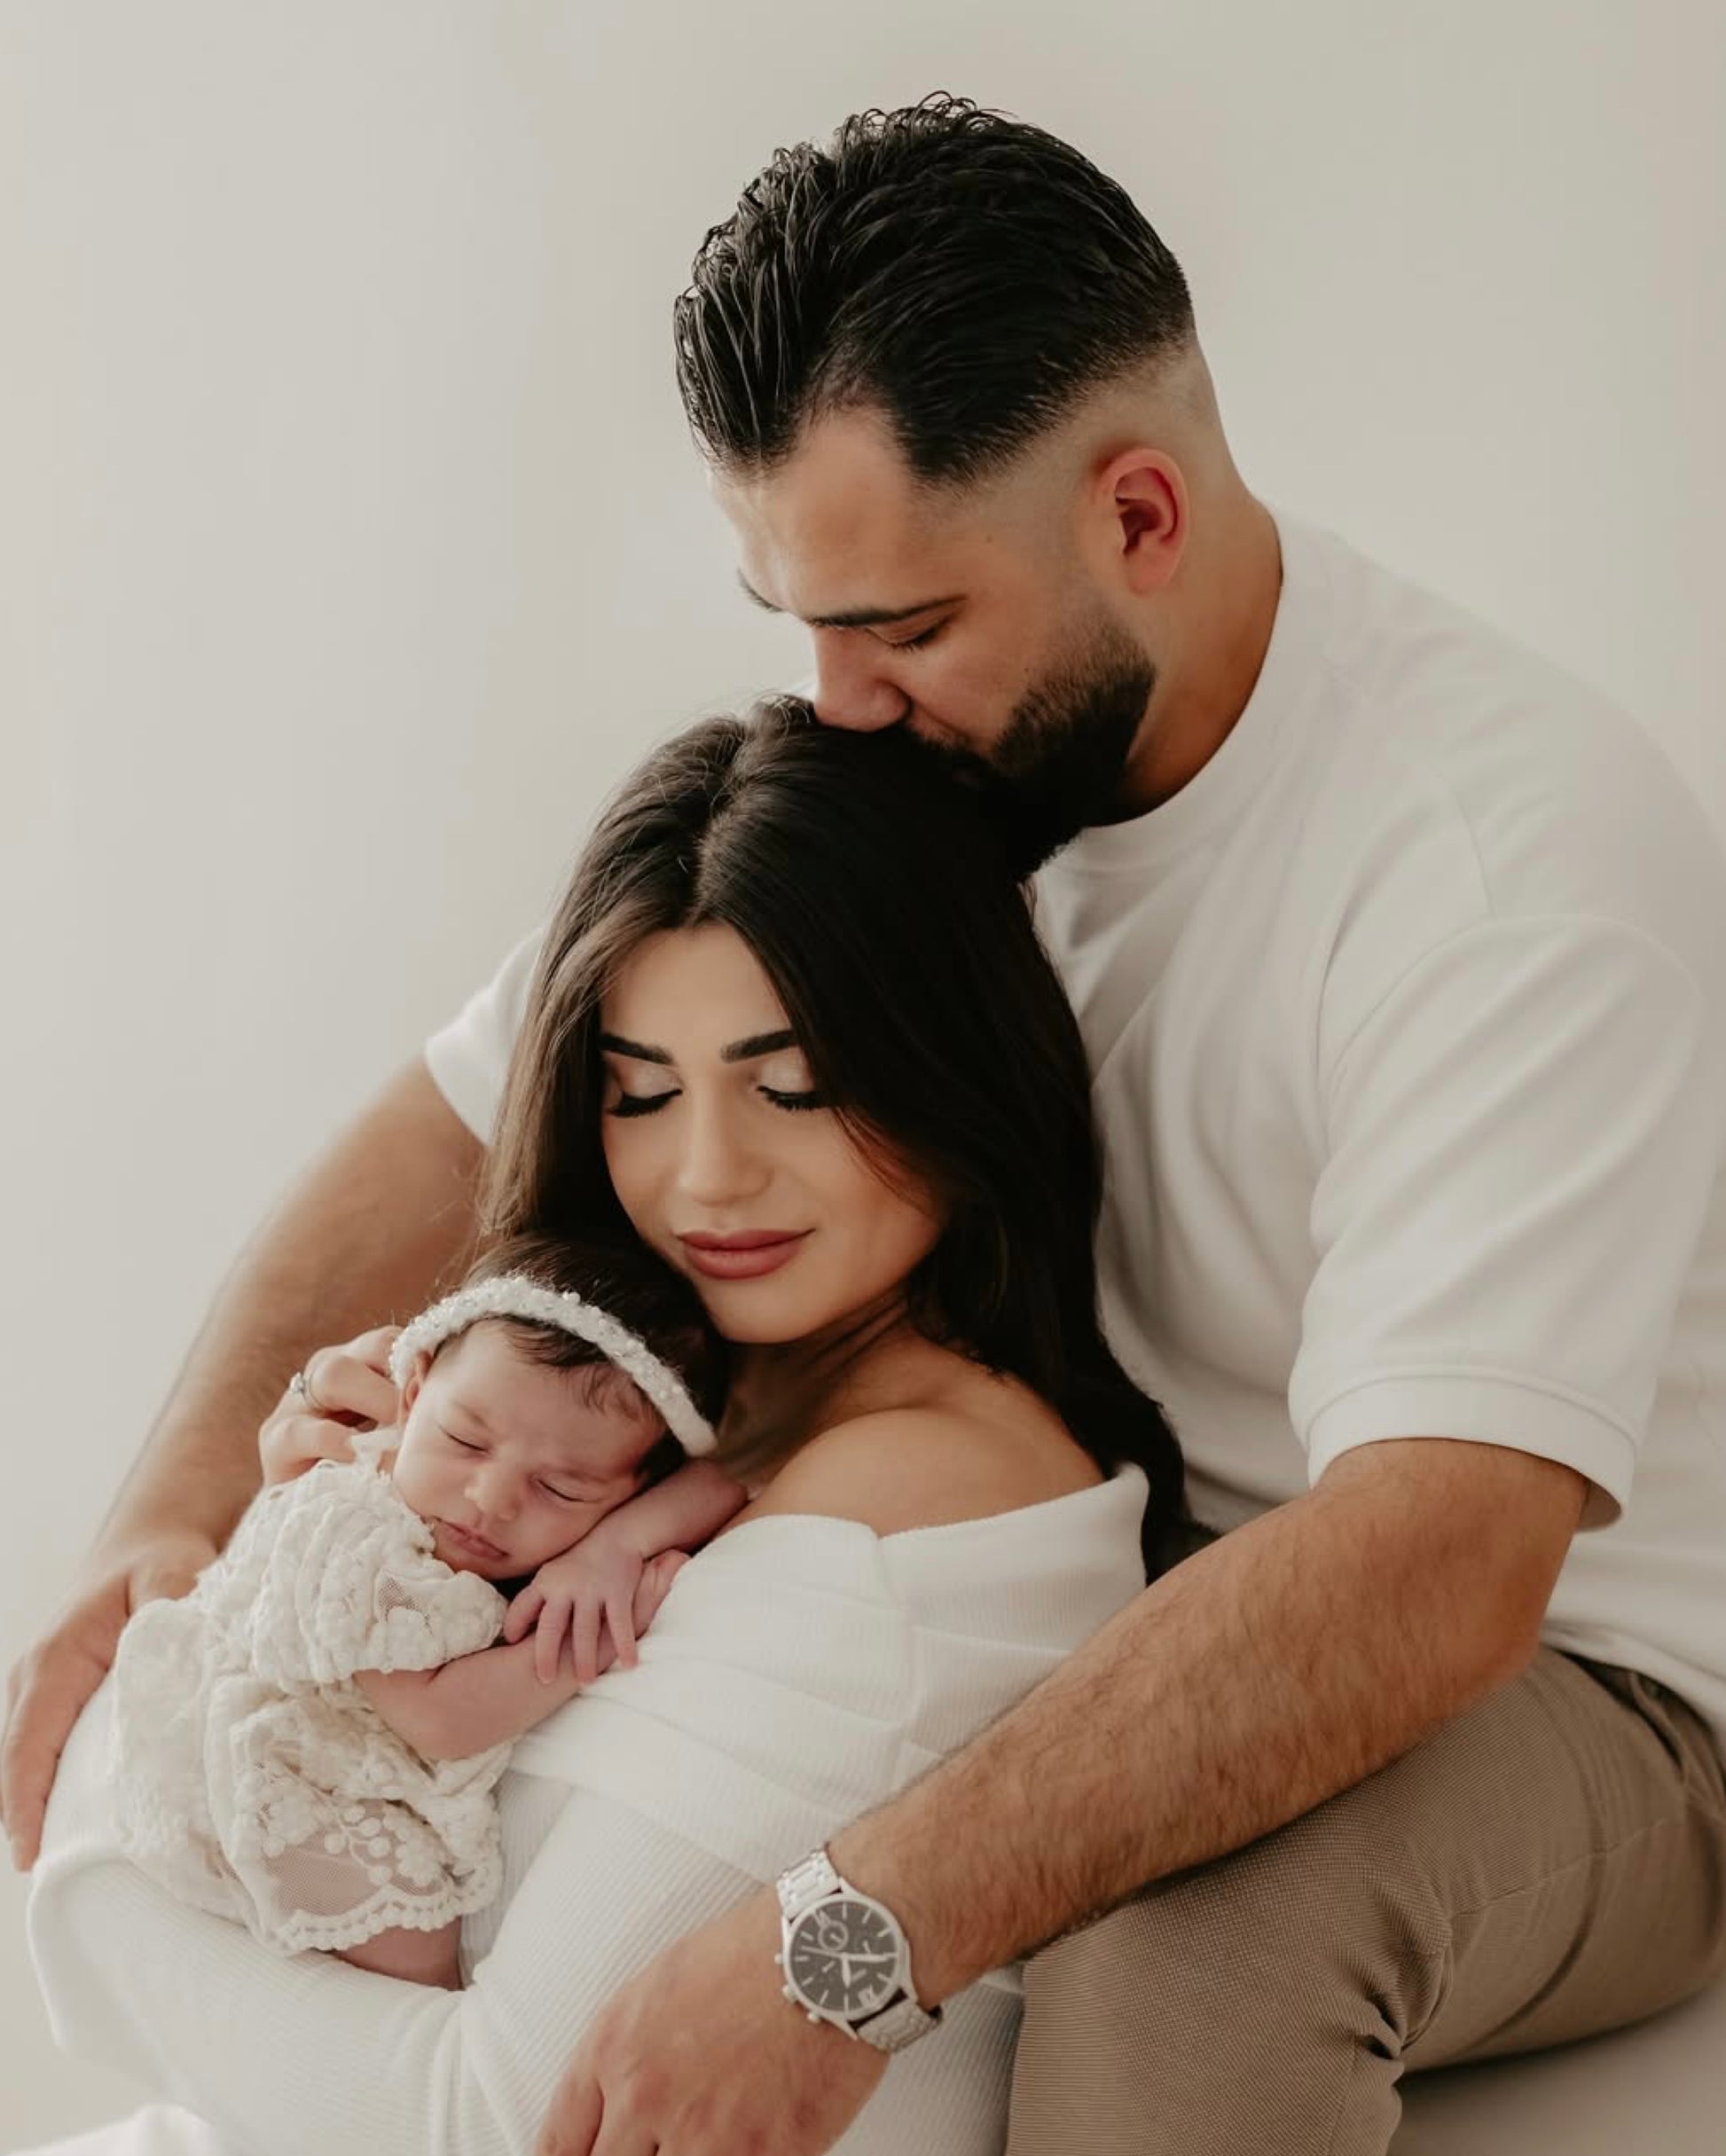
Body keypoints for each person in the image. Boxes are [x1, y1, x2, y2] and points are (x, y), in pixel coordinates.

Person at [8, 90, 1726, 2156]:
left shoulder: (1493, 855)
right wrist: (165, 1525)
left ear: (1142, 520)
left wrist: (856, 1931)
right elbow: (460, 1115)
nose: (836, 699)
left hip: (1570, 1676)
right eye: (796, 622)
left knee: (1175, 1961)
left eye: (902, 627)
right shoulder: (931, 755)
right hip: (1096, 1567)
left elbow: (1440, 1565)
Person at [24, 702, 1185, 2156]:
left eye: (792, 1086)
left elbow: (501, 2121)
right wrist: (305, 1570)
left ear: (951, 1069)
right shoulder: (684, 1418)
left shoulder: (916, 1499)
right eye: (640, 1092)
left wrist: (87, 1874)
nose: (705, 1175)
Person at [108, 1231, 741, 1991]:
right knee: (409, 1936)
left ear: (629, 1490)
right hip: (275, 1759)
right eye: (464, 1439)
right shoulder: (354, 1523)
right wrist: (599, 1638)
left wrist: (616, 1546)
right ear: (413, 1397)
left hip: (362, 1755)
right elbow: (438, 1718)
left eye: (563, 1488)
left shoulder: (573, 1512)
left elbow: (731, 1480)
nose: (491, 1499)